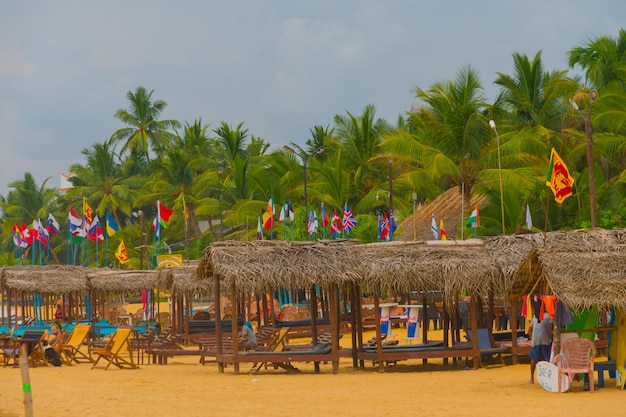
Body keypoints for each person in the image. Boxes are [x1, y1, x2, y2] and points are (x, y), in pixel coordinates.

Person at [528, 311, 552, 384]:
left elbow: (529, 330)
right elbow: (551, 330)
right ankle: (550, 378)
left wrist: (532, 338)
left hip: (536, 340)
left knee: (533, 359)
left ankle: (532, 378)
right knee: (548, 359)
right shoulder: (549, 316)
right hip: (545, 340)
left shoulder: (535, 316)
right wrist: (552, 339)